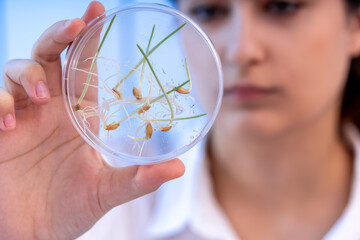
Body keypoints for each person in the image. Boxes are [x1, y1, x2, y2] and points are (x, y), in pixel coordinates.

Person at [1, 0, 360, 239]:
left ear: (356, 24)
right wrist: (22, 228)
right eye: (209, 11)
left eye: (283, 6)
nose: (241, 50)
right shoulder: (97, 209)